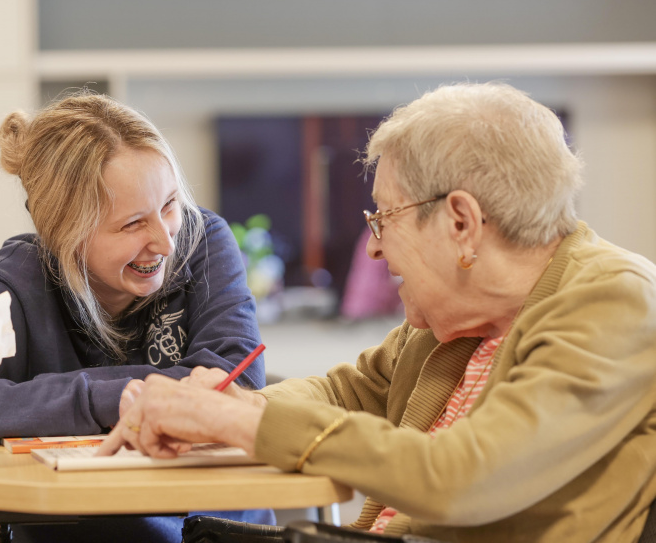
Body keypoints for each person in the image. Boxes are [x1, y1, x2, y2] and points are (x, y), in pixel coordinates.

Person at [100, 82, 656, 543]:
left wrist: (239, 421)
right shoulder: (454, 320)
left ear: (461, 222)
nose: (373, 248)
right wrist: (221, 403)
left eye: (384, 217)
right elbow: (345, 393)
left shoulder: (612, 299)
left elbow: (464, 477)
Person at [0, 91, 274, 542]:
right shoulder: (23, 278)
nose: (166, 243)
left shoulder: (202, 241)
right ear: (65, 233)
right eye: (132, 224)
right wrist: (99, 400)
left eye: (169, 206)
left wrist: (37, 405)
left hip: (220, 526)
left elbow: (233, 386)